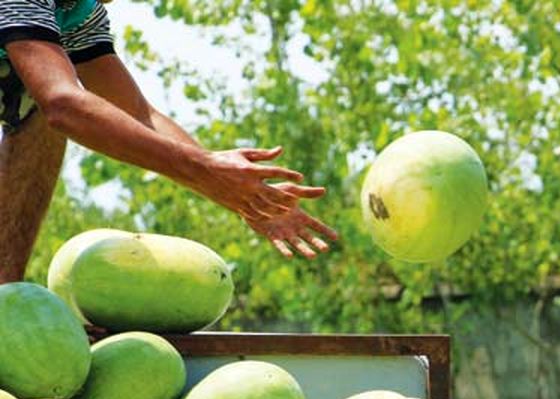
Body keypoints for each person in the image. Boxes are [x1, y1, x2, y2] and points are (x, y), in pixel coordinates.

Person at [0, 0, 337, 284]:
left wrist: (242, 193)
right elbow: (63, 104)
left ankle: (4, 298)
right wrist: (206, 172)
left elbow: (138, 116)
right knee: (59, 100)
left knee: (42, 109)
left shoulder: (77, 13)